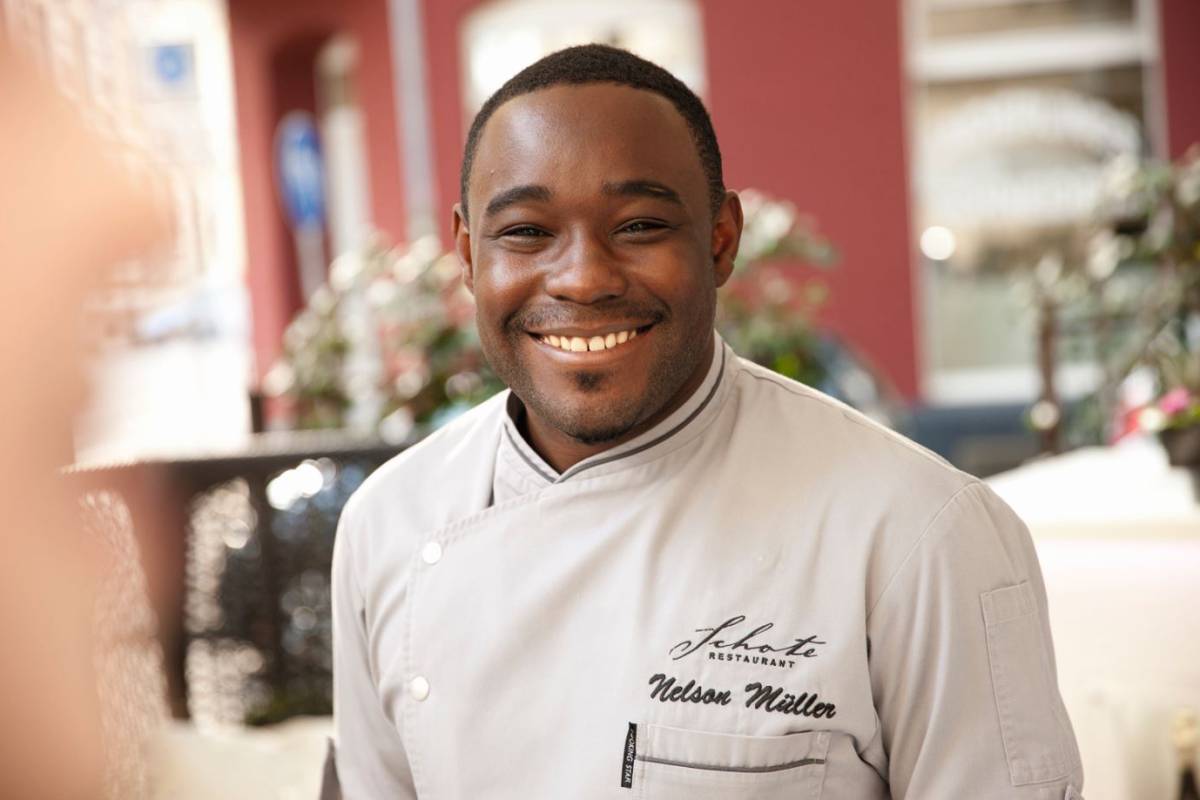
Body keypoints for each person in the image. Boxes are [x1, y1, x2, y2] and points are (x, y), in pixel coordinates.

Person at [330, 44, 1083, 799]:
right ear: (468, 253)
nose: (583, 278)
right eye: (527, 231)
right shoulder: (388, 524)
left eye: (639, 225)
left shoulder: (919, 529)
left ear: (720, 240)